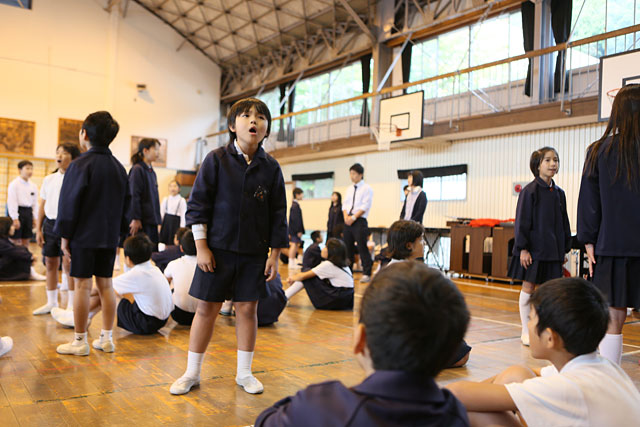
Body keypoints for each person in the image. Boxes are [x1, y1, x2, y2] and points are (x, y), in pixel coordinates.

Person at [256, 261, 470, 426]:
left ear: (360, 340)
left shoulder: (322, 406)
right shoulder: (454, 414)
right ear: (449, 353)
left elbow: (265, 421)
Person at [169, 98, 288, 396]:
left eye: (260, 117)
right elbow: (198, 206)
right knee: (206, 309)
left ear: (266, 128)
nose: (254, 121)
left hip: (253, 253)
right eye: (246, 116)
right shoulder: (216, 160)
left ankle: (244, 373)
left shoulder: (271, 168)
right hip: (216, 251)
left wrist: (274, 255)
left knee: (248, 310)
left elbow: (278, 214)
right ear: (233, 126)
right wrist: (201, 248)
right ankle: (192, 372)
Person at [446, 278, 640, 427]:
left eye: (531, 319)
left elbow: (457, 393)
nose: (528, 325)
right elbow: (522, 374)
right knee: (516, 374)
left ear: (550, 337)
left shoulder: (566, 388)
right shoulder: (604, 367)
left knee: (471, 412)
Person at [54, 111, 130, 356]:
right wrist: (118, 235)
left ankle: (79, 341)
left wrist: (64, 236)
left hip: (83, 236)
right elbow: (127, 207)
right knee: (106, 286)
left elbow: (68, 204)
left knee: (82, 287)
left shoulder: (79, 165)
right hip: (109, 237)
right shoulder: (119, 168)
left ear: (84, 134)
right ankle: (107, 339)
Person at [577, 84, 640, 365]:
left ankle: (610, 375)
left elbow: (589, 203)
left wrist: (589, 241)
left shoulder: (598, 151)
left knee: (614, 314)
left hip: (612, 245)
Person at [507, 147, 571, 346]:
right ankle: (526, 330)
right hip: (534, 251)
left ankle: (548, 330)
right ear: (538, 165)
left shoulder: (559, 193)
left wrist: (564, 249)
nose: (553, 164)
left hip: (554, 251)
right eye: (548, 160)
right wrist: (523, 248)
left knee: (552, 291)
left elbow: (564, 222)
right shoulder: (529, 191)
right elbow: (522, 221)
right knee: (528, 287)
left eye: (556, 160)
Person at [386, 219, 471, 367]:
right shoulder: (412, 273)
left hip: (386, 338)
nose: (424, 244)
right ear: (409, 246)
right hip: (405, 338)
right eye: (420, 240)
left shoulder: (387, 269)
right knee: (462, 353)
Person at [33, 143, 81, 316]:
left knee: (68, 264)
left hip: (68, 225)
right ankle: (51, 302)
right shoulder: (49, 179)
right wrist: (38, 229)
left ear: (73, 158)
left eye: (64, 153)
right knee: (50, 262)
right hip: (50, 224)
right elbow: (42, 205)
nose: (59, 155)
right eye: (57, 152)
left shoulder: (77, 178)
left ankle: (71, 306)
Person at [102, 234, 173, 335]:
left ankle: (87, 316)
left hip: (145, 323)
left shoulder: (136, 273)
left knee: (107, 292)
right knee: (113, 291)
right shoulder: (154, 269)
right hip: (162, 321)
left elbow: (105, 287)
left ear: (128, 259)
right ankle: (87, 316)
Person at [285, 238, 354, 310]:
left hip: (336, 300)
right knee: (311, 275)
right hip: (346, 300)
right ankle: (285, 296)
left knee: (307, 276)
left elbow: (303, 276)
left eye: (326, 247)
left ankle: (284, 297)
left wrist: (291, 278)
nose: (323, 249)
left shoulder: (329, 264)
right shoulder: (343, 264)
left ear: (331, 251)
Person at [128, 138, 162, 250]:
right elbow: (134, 195)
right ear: (145, 151)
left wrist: (158, 220)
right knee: (141, 252)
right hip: (142, 221)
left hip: (151, 219)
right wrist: (135, 218)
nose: (158, 152)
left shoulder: (152, 171)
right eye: (155, 149)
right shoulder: (137, 169)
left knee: (152, 251)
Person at [342, 163, 374, 283]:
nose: (352, 176)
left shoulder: (366, 188)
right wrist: (346, 217)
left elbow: (365, 205)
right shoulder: (349, 189)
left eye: (354, 173)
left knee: (362, 247)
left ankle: (367, 273)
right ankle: (348, 272)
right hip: (348, 220)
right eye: (350, 173)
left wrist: (354, 217)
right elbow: (345, 205)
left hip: (359, 221)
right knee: (347, 247)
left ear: (361, 175)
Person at [164, 230, 198, 326]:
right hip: (203, 315)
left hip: (178, 314)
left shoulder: (174, 264)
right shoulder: (207, 265)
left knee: (171, 287)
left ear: (181, 248)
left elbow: (164, 284)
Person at [0, 217, 44, 281]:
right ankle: (30, 274)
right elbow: (12, 251)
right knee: (19, 255)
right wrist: (30, 256)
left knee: (22, 250)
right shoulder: (1, 242)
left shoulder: (4, 239)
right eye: (12, 225)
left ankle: (31, 273)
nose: (14, 228)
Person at [7, 160, 38, 246]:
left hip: (28, 212)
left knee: (26, 238)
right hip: (18, 212)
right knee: (14, 239)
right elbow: (12, 202)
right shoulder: (14, 184)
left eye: (31, 169)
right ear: (20, 170)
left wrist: (35, 218)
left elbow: (35, 203)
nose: (30, 171)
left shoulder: (33, 186)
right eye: (27, 168)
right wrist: (14, 218)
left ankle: (24, 254)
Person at [159, 180, 187, 246]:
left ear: (179, 189)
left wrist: (182, 229)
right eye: (171, 186)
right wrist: (159, 225)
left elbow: (183, 215)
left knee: (173, 243)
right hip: (166, 224)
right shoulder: (166, 199)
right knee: (163, 242)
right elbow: (161, 213)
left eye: (175, 186)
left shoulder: (182, 200)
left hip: (176, 224)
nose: (172, 188)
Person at [287, 187, 304, 271]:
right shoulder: (295, 206)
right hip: (295, 230)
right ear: (297, 195)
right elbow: (295, 220)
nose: (302, 196)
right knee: (293, 245)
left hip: (295, 230)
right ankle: (291, 262)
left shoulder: (296, 205)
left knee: (296, 245)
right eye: (301, 194)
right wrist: (298, 230)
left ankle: (293, 261)